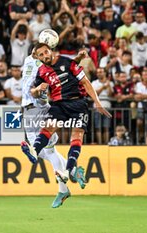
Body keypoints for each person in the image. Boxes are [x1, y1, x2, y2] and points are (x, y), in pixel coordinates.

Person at [21, 43, 111, 186]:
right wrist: (38, 88)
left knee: (76, 136)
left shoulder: (67, 62)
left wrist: (97, 102)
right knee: (48, 128)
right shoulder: (42, 72)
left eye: (46, 52)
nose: (45, 56)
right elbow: (32, 91)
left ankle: (70, 169)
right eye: (41, 55)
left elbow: (86, 83)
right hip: (59, 105)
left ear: (51, 51)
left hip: (78, 104)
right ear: (38, 58)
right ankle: (34, 151)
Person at [20, 48, 87, 208]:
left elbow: (63, 66)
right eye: (39, 53)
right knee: (48, 152)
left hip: (36, 108)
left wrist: (40, 94)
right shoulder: (31, 62)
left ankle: (65, 180)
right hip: (32, 108)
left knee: (42, 151)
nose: (42, 56)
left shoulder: (44, 66)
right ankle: (71, 173)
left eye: (44, 53)